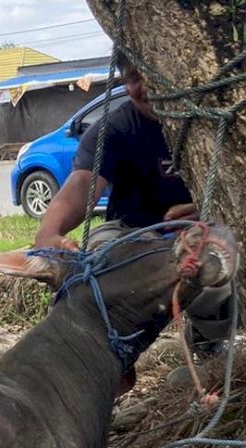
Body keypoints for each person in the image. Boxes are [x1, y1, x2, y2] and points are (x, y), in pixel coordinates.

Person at [33, 55, 229, 395]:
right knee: (96, 257)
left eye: (153, 73)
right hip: (132, 238)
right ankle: (111, 360)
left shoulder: (212, 120)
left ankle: (207, 347)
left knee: (225, 257)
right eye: (134, 77)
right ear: (124, 82)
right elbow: (82, 184)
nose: (145, 86)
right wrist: (49, 233)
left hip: (197, 235)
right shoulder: (115, 128)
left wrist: (203, 210)